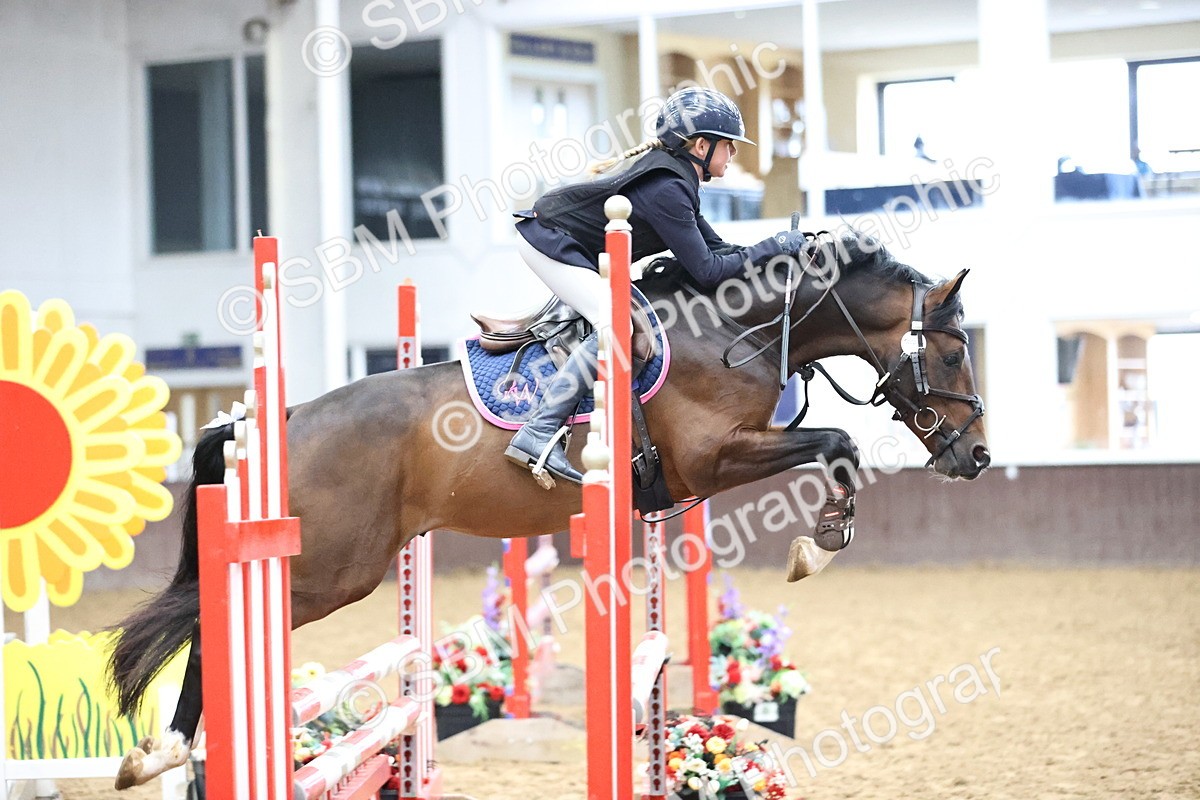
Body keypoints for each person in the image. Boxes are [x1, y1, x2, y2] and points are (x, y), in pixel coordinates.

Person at [505, 86, 809, 488]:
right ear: (702, 145)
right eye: (729, 146)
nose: (734, 154)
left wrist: (778, 252)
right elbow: (709, 271)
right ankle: (538, 432)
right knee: (617, 327)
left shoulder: (677, 179)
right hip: (547, 240)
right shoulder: (667, 187)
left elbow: (718, 250)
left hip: (571, 245)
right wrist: (775, 247)